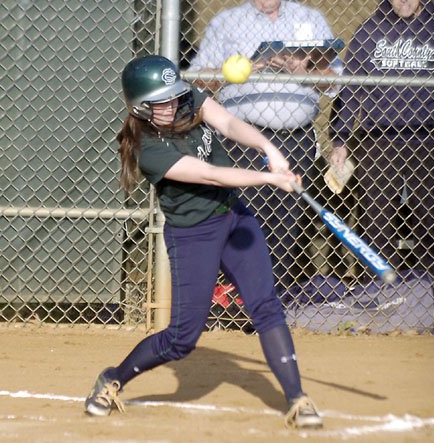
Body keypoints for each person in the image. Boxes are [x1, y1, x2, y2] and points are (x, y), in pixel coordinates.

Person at [84, 54, 322, 430]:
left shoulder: (185, 100)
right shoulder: (148, 148)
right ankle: (113, 376)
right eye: (162, 101)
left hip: (233, 218)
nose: (174, 104)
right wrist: (269, 179)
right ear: (141, 107)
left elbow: (227, 122)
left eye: (175, 96)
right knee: (182, 339)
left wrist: (270, 151)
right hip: (194, 234)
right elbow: (211, 175)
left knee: (266, 306)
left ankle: (297, 398)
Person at [188, 0, 342, 293]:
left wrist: (304, 71)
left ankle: (269, 300)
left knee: (286, 225)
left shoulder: (310, 18)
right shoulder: (227, 21)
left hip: (296, 138)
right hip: (243, 139)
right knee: (244, 220)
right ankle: (235, 299)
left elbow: (334, 83)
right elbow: (198, 80)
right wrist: (247, 66)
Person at [328, 0, 434, 287]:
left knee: (431, 222)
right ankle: (379, 294)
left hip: (428, 138)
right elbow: (350, 90)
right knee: (376, 222)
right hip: (377, 139)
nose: (403, 1)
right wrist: (340, 139)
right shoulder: (370, 30)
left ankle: (432, 298)